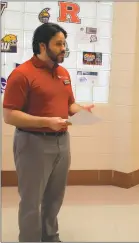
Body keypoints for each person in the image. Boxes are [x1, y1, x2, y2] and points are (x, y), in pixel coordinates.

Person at [3, 23, 94, 242]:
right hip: (32, 143)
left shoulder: (63, 73)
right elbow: (9, 115)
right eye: (59, 43)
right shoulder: (22, 74)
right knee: (31, 200)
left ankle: (50, 236)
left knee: (54, 197)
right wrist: (45, 122)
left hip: (62, 142)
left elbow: (69, 104)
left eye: (64, 43)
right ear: (42, 46)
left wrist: (82, 111)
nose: (64, 48)